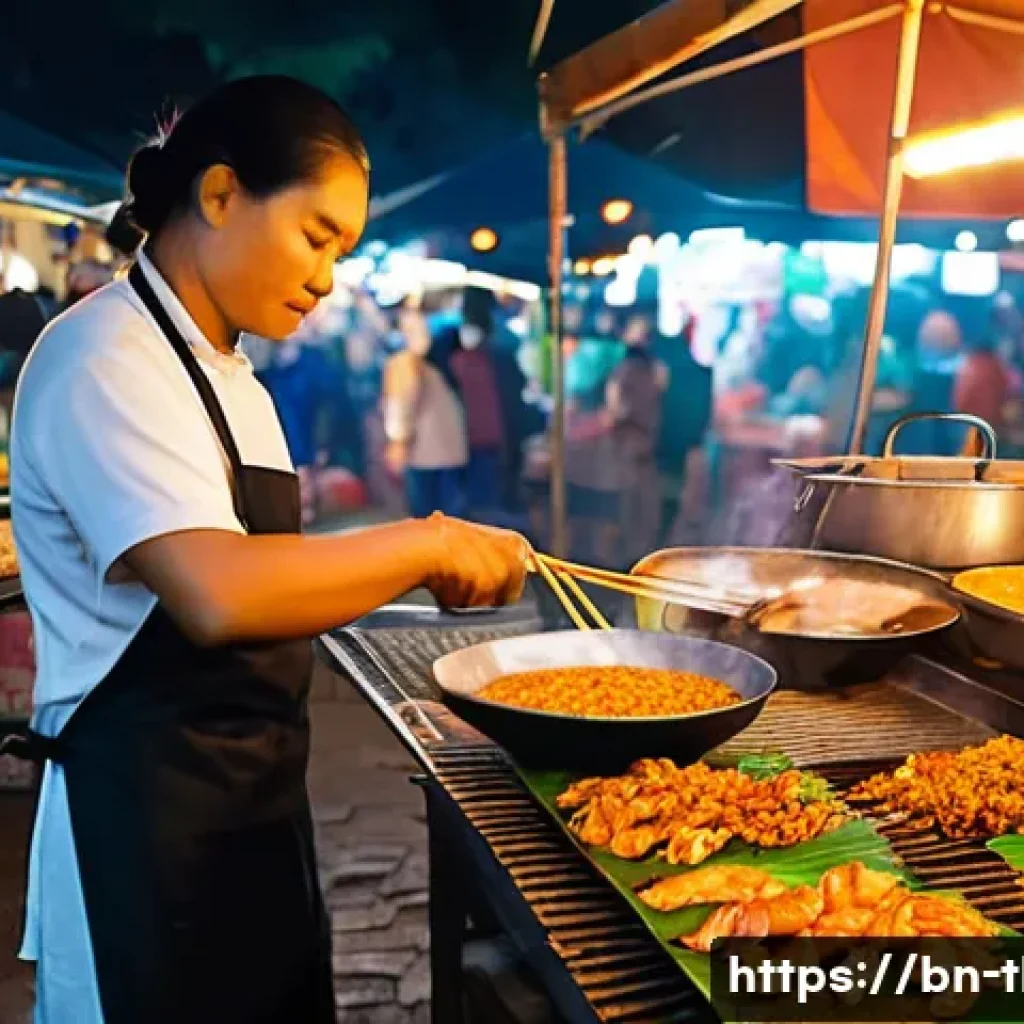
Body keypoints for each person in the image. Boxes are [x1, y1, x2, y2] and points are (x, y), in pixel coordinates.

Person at [6, 76, 527, 1024]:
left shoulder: (235, 377)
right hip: (140, 835)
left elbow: (271, 574)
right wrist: (425, 542)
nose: (329, 276)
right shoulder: (102, 358)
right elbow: (219, 592)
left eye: (343, 250)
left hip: (251, 812)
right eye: (317, 236)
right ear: (218, 196)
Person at [383, 300, 469, 518]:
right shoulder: (437, 364)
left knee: (425, 523)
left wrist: (397, 442)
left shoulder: (404, 363)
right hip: (449, 453)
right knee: (449, 520)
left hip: (424, 455)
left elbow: (401, 404)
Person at [451, 288, 505, 520]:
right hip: (486, 434)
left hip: (471, 434)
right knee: (483, 498)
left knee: (476, 501)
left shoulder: (459, 360)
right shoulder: (495, 352)